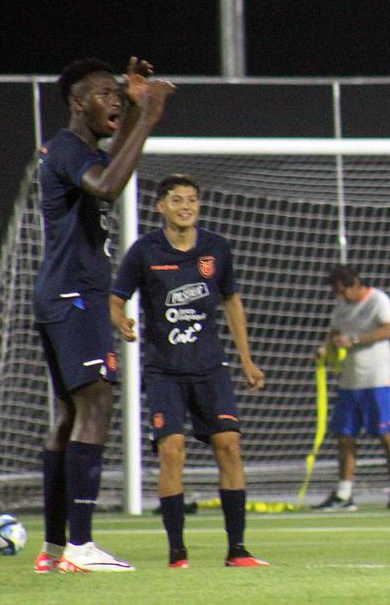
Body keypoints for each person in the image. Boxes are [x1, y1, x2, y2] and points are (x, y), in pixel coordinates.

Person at [33, 57, 174, 573]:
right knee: (95, 406)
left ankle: (53, 549)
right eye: (104, 94)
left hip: (61, 293)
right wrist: (150, 119)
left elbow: (114, 165)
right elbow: (109, 185)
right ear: (77, 103)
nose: (113, 100)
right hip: (76, 294)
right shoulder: (71, 149)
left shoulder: (80, 148)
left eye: (118, 93)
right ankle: (82, 546)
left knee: (71, 415)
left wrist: (135, 110)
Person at [110, 173, 270, 568]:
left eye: (192, 200)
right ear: (160, 206)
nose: (186, 207)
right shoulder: (144, 251)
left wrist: (247, 360)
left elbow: (232, 301)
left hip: (210, 367)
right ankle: (177, 552)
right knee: (172, 450)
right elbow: (116, 298)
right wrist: (120, 320)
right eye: (177, 200)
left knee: (229, 444)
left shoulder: (217, 248)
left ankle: (237, 549)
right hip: (165, 371)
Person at [311, 265, 390, 511]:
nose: (339, 296)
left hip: (377, 379)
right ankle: (344, 494)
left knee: (387, 434)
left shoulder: (378, 300)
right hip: (349, 382)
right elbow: (333, 335)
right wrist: (325, 349)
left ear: (353, 284)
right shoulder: (342, 307)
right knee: (344, 436)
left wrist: (354, 339)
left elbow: (389, 329)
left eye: (341, 290)